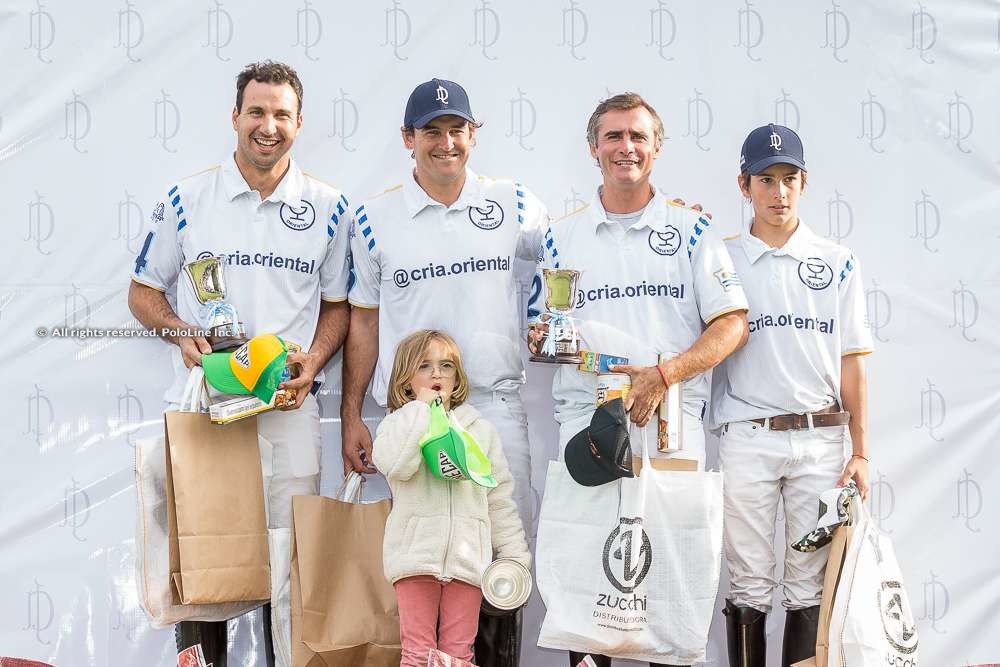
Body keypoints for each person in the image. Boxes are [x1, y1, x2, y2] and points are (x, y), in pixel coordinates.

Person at [127, 61, 351, 667]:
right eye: (257, 111)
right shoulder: (186, 199)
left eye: (281, 114)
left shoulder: (330, 207)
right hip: (207, 410)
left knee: (290, 571)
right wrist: (181, 333)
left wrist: (317, 358)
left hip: (287, 410)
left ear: (299, 124)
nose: (268, 126)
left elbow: (338, 307)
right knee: (203, 569)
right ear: (234, 117)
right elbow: (143, 292)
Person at [529, 92, 749, 667]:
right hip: (589, 420)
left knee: (671, 573)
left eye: (638, 137)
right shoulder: (560, 237)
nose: (626, 147)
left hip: (670, 423)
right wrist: (542, 339)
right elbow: (544, 324)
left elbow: (732, 326)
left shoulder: (693, 228)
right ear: (593, 148)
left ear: (657, 147)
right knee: (586, 575)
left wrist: (664, 373)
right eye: (614, 137)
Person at [343, 78, 548, 666]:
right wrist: (354, 412)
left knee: (503, 556)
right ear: (408, 138)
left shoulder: (513, 202)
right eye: (431, 131)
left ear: (474, 135)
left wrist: (663, 203)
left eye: (457, 129)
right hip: (411, 416)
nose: (445, 142)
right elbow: (363, 322)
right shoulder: (374, 217)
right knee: (424, 558)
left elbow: (570, 254)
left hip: (494, 406)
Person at [709, 124, 873, 667]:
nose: (778, 192)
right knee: (749, 580)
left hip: (821, 439)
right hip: (749, 437)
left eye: (789, 179)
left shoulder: (836, 260)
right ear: (744, 185)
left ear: (805, 183)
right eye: (766, 179)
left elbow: (853, 360)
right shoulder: (718, 257)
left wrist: (862, 449)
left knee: (808, 585)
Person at [372, 330, 530, 667]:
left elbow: (499, 498)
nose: (437, 374)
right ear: (405, 380)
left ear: (457, 377)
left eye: (446, 365)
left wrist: (515, 556)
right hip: (415, 560)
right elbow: (395, 464)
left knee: (459, 655)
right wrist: (421, 411)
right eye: (425, 366)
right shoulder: (397, 424)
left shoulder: (480, 431)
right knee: (418, 653)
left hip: (468, 564)